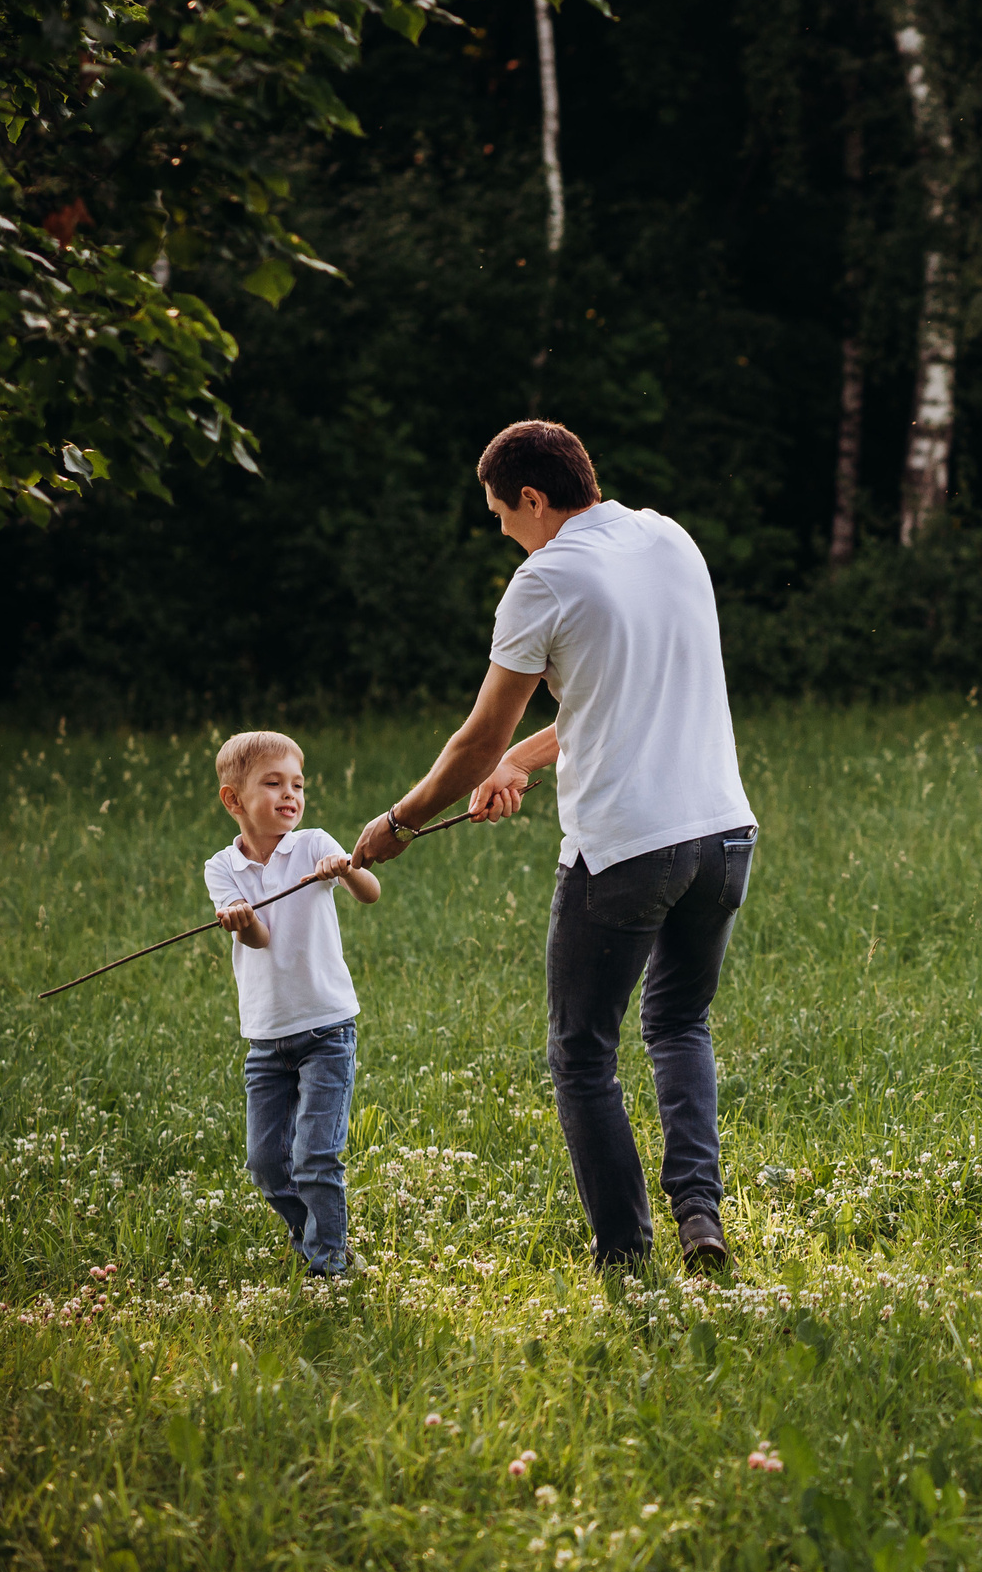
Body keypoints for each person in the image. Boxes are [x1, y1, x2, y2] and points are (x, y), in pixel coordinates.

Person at [348, 421, 757, 1273]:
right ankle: (699, 1216)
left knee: (582, 1052)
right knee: (680, 1022)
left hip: (626, 851)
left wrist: (402, 821)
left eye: (503, 514)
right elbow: (605, 703)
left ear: (534, 499)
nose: (503, 530)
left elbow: (472, 740)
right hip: (723, 835)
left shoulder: (546, 578)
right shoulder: (667, 538)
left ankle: (623, 1255)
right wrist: (518, 763)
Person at [206, 729, 381, 1277]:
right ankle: (310, 1231)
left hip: (327, 1028)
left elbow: (370, 892)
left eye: (298, 784)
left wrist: (345, 868)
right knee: (265, 1165)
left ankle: (330, 1263)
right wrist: (242, 920)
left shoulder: (314, 843)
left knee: (315, 1157)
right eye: (273, 783)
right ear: (234, 800)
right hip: (266, 1036)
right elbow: (259, 939)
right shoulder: (222, 868)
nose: (290, 794)